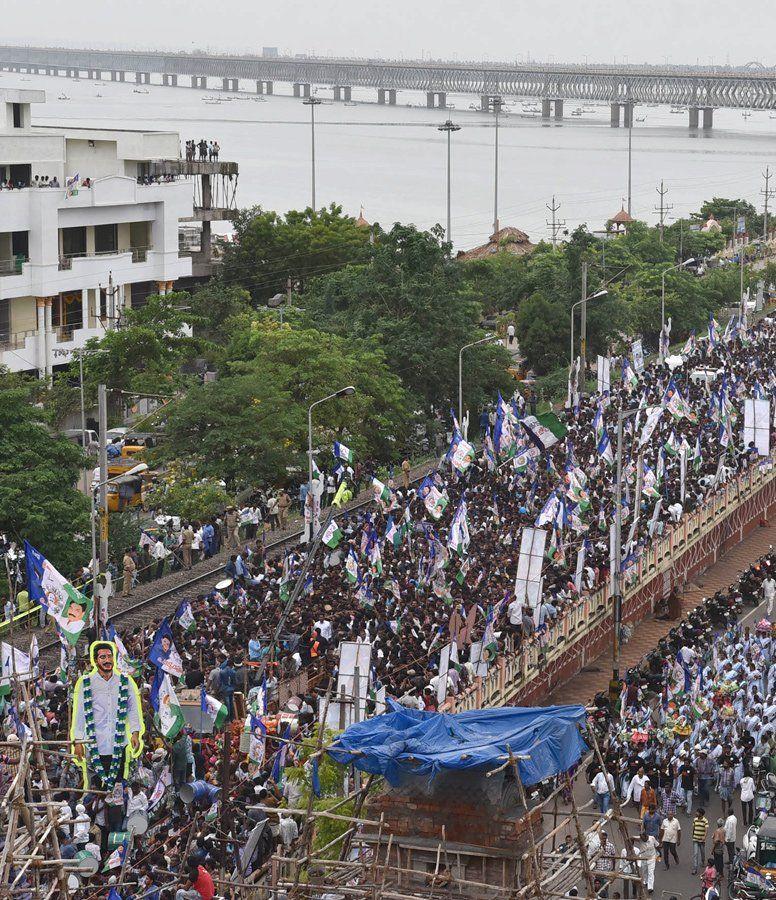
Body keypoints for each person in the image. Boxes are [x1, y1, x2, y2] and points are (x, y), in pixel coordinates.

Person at [71, 642, 143, 788]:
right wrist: (78, 741)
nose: (107, 660)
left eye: (109, 656)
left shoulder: (125, 682)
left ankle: (116, 809)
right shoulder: (86, 683)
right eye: (102, 657)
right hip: (94, 744)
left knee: (117, 788)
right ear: (96, 660)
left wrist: (135, 732)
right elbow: (80, 713)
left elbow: (133, 709)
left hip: (118, 744)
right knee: (96, 789)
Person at [691, 808, 709, 875]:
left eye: (697, 812)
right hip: (695, 839)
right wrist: (692, 834)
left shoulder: (705, 821)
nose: (696, 813)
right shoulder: (695, 819)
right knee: (695, 854)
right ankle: (695, 868)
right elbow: (693, 828)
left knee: (702, 852)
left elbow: (706, 829)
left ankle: (703, 861)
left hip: (701, 840)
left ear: (701, 814)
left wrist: (704, 836)